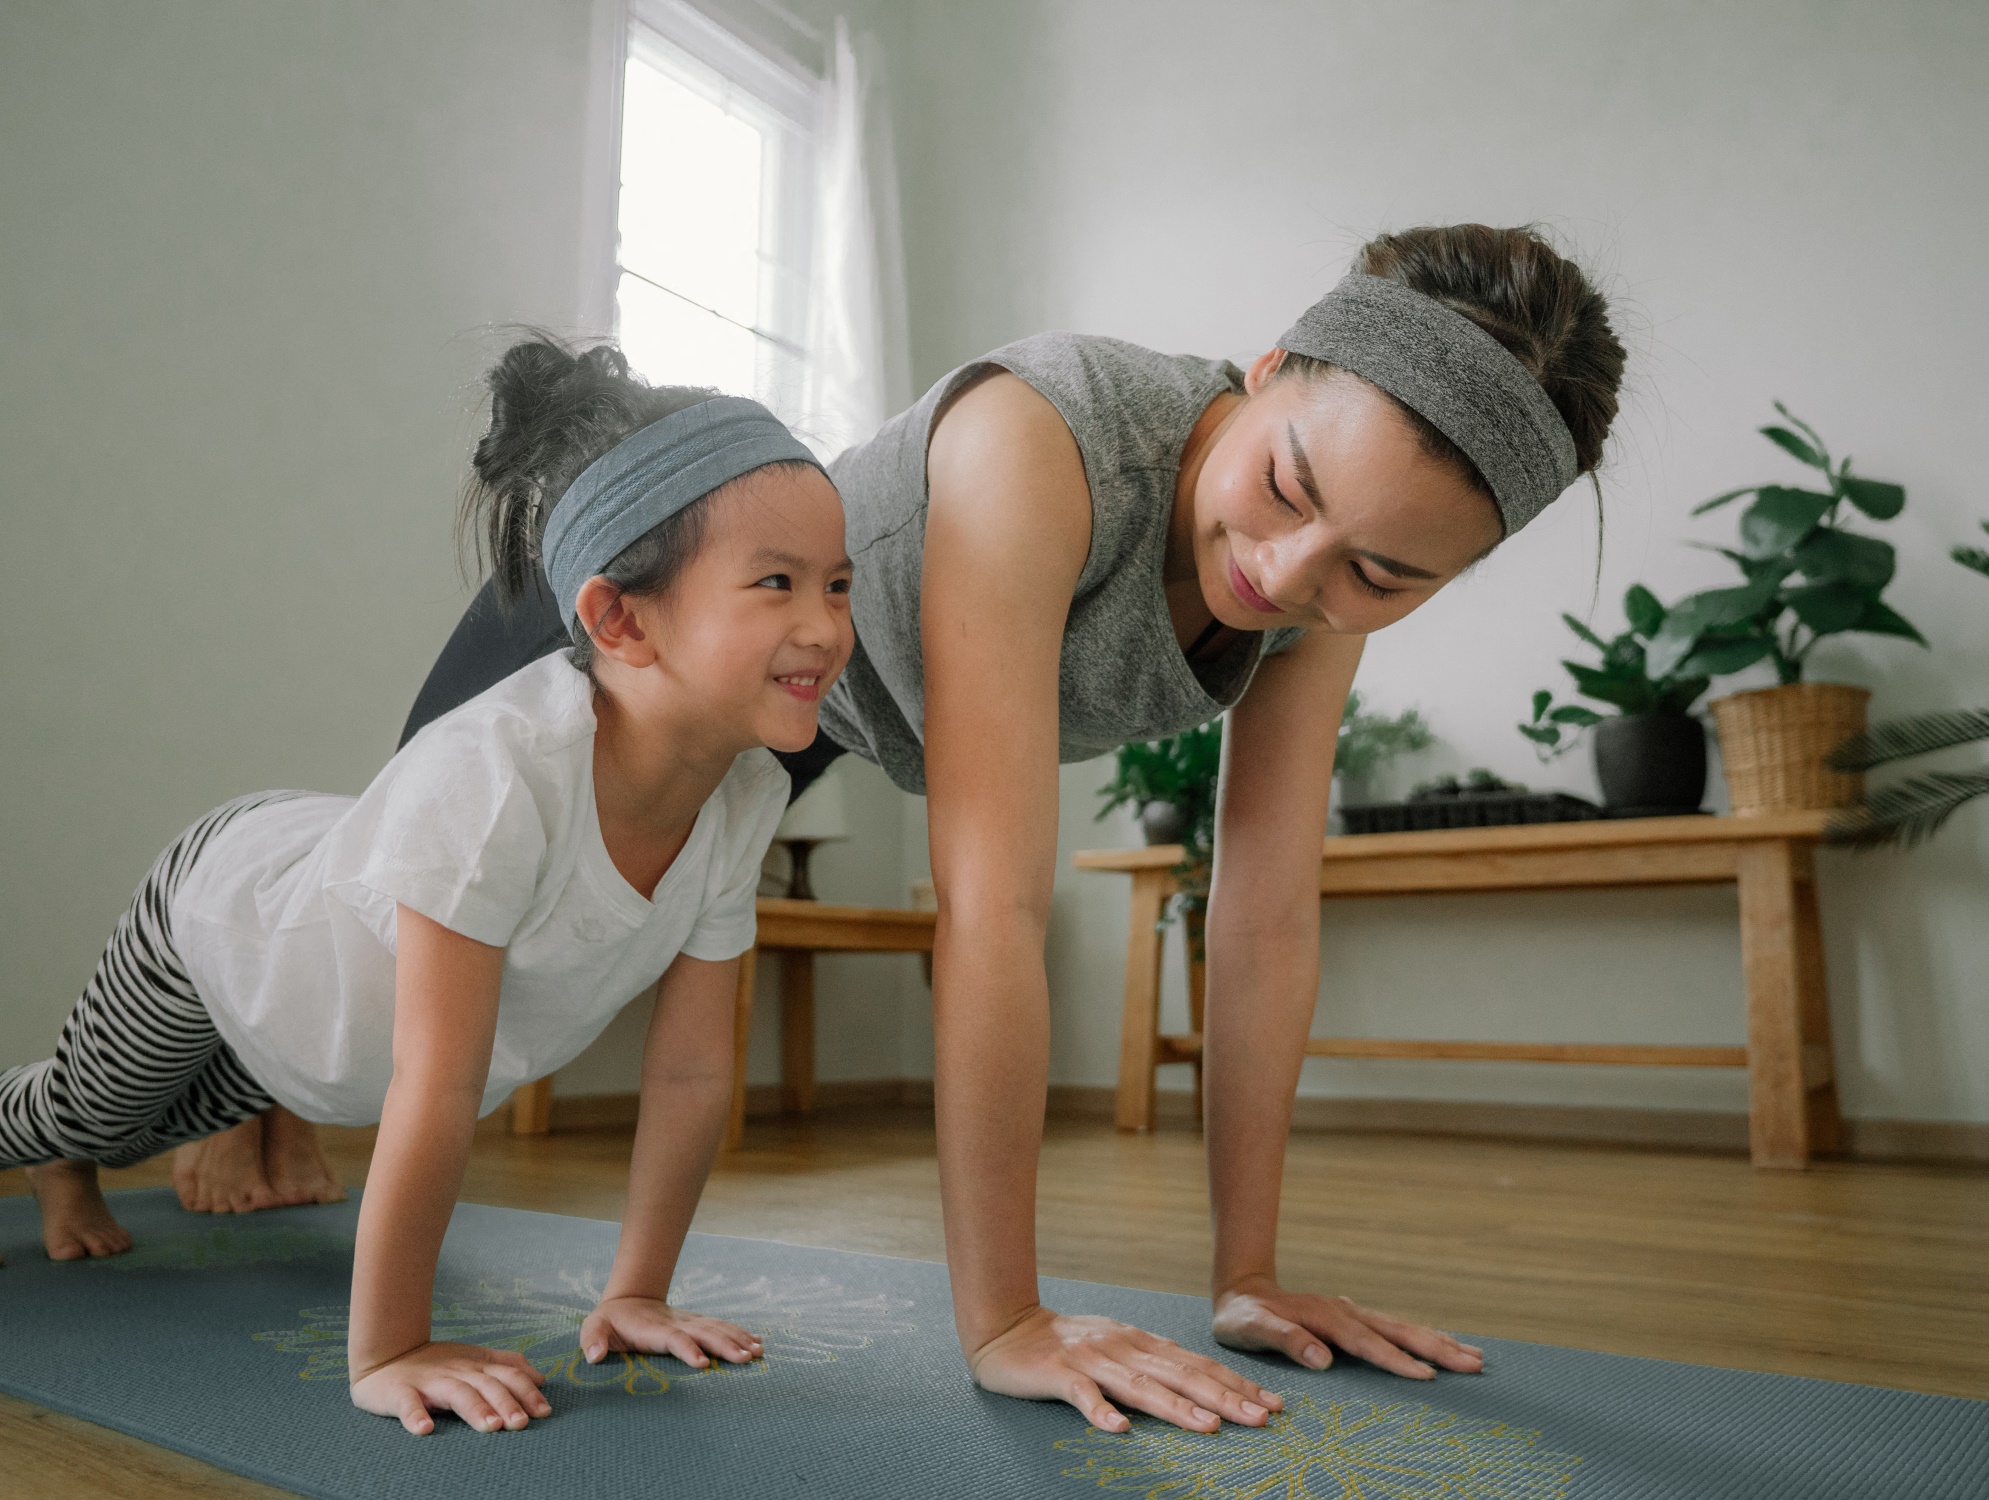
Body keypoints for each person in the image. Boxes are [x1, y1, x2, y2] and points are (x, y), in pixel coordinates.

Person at [230, 222, 1629, 1436]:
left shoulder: (1312, 591)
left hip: (813, 717)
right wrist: (1005, 1319)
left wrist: (1244, 1277)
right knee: (380, 888)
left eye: (1382, 574)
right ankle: (254, 1094)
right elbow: (996, 906)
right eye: (1286, 489)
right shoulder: (1049, 439)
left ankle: (285, 1119)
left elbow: (1263, 912)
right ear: (1267, 374)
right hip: (676, 634)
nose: (1287, 575)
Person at [0, 351, 856, 1437]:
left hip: (316, 1034)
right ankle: (57, 1149)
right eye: (776, 583)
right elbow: (437, 1083)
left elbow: (689, 1070)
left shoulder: (741, 795)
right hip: (224, 917)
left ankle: (71, 1157)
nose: (826, 627)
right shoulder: (501, 773)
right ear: (620, 622)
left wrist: (634, 1291)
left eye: (838, 585)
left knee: (173, 1112)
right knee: (93, 1107)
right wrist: (393, 1346)